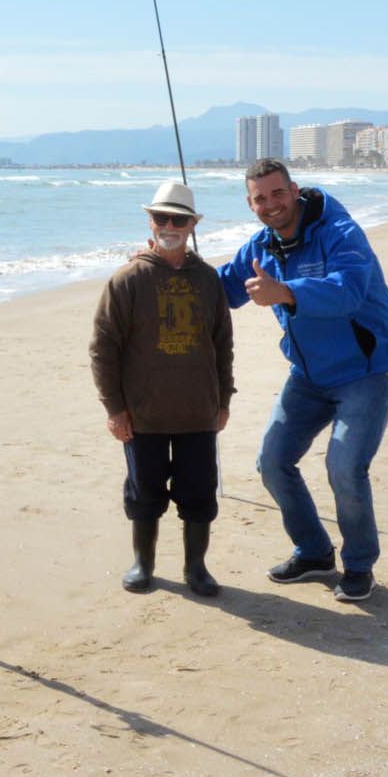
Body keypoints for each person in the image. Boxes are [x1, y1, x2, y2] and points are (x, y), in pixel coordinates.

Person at [220, 160, 388, 605]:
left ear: (295, 190)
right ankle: (315, 552)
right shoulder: (260, 246)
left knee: (344, 467)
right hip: (309, 374)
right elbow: (224, 288)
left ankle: (359, 565)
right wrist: (166, 269)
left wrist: (287, 292)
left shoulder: (338, 230)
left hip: (367, 369)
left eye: (277, 193)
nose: (271, 204)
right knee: (272, 461)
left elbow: (349, 290)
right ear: (250, 205)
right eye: (260, 198)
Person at [90, 179, 234, 597]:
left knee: (199, 495)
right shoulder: (127, 279)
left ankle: (196, 568)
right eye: (161, 217)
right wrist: (114, 409)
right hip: (142, 415)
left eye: (179, 218)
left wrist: (223, 400)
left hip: (198, 413)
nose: (169, 224)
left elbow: (222, 343)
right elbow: (103, 348)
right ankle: (143, 562)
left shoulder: (208, 280)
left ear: (193, 225)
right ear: (149, 222)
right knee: (144, 493)